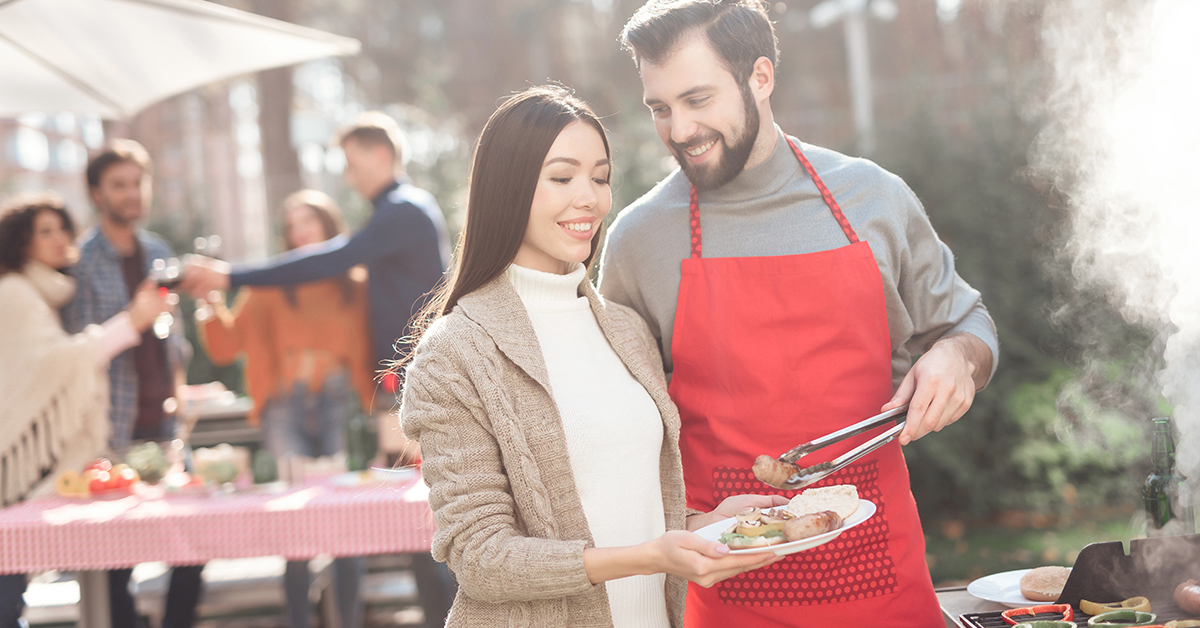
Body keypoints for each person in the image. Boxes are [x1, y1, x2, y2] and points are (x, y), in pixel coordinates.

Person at [600, 2, 999, 627]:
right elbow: (615, 432)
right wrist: (675, 525)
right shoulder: (638, 239)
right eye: (660, 107)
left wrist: (957, 357)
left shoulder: (872, 199)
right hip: (727, 587)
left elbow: (969, 325)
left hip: (882, 581)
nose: (678, 129)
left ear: (760, 77)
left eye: (698, 99)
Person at [398, 85, 787, 628]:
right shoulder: (456, 352)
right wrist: (649, 557)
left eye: (600, 177)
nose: (590, 198)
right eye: (562, 178)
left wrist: (707, 527)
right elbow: (481, 558)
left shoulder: (626, 332)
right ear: (507, 188)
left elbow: (628, 508)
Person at [180, 111, 456, 625]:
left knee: (428, 517)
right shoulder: (399, 211)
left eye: (352, 165)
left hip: (418, 387)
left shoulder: (402, 210)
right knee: (420, 519)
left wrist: (230, 274)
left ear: (380, 155)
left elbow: (335, 258)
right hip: (399, 391)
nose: (348, 178)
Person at [196, 190, 372, 628]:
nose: (298, 232)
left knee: (346, 523)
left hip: (339, 404)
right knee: (294, 524)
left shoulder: (355, 283)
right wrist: (209, 301)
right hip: (285, 406)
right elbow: (225, 347)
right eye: (291, 225)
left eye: (307, 221)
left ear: (330, 226)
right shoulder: (270, 284)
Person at [0, 194, 168, 628]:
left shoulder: (44, 293)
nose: (59, 239)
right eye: (45, 231)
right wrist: (131, 322)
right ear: (21, 243)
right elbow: (56, 365)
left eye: (62, 229)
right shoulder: (16, 293)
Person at [60, 140, 205, 628]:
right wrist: (133, 318)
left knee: (193, 546)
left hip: (166, 428)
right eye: (119, 185)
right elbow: (78, 351)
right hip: (110, 432)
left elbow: (173, 340)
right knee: (114, 561)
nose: (131, 194)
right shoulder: (79, 261)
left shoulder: (159, 251)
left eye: (137, 183)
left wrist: (182, 400)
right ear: (96, 194)